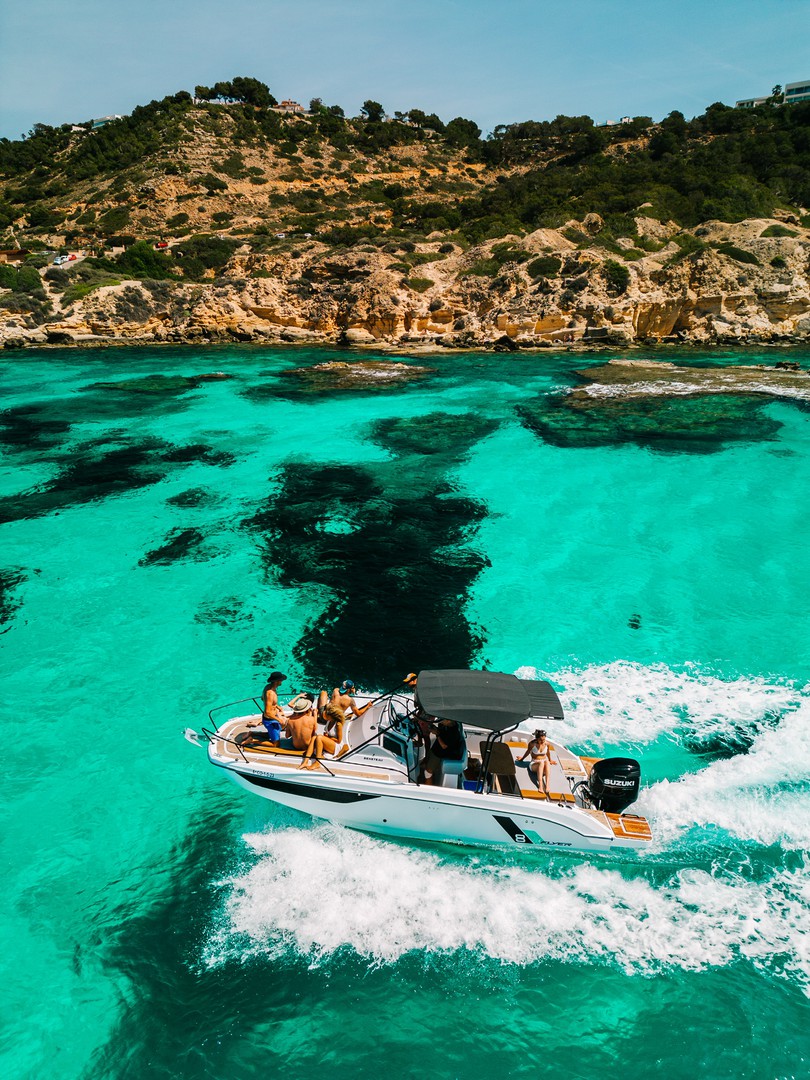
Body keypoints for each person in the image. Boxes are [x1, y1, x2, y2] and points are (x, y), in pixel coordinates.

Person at [300, 680, 374, 769]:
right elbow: (358, 713)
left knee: (323, 693)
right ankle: (305, 761)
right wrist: (367, 705)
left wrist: (327, 736)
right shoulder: (350, 701)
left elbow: (339, 741)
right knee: (314, 738)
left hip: (336, 745)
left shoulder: (336, 691)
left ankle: (317, 762)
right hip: (333, 724)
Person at [244, 671, 287, 745]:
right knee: (276, 744)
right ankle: (252, 740)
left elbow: (262, 698)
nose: (281, 681)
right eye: (281, 680)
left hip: (271, 717)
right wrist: (279, 720)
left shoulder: (268, 687)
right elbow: (267, 712)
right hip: (270, 720)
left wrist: (276, 706)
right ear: (276, 681)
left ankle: (253, 733)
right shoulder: (270, 693)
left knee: (273, 733)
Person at [422, 718, 465, 785]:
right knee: (425, 764)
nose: (440, 721)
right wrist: (435, 729)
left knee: (427, 773)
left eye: (442, 719)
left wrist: (437, 734)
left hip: (440, 754)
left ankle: (428, 788)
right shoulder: (446, 725)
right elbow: (442, 732)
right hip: (435, 750)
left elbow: (444, 746)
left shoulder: (454, 732)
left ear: (449, 721)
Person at [403, 671, 433, 754]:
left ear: (414, 680)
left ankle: (427, 755)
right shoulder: (416, 688)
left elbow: (424, 705)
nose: (408, 683)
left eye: (409, 681)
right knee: (416, 724)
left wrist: (418, 716)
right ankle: (419, 742)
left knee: (426, 736)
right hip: (422, 712)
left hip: (427, 714)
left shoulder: (420, 689)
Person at [519, 729, 553, 795]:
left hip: (543, 766)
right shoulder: (532, 744)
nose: (542, 741)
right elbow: (528, 752)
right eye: (541, 740)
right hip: (534, 764)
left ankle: (547, 785)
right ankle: (540, 786)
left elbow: (548, 753)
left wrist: (550, 760)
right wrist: (521, 759)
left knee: (547, 762)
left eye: (544, 740)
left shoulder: (547, 744)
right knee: (541, 762)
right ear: (537, 738)